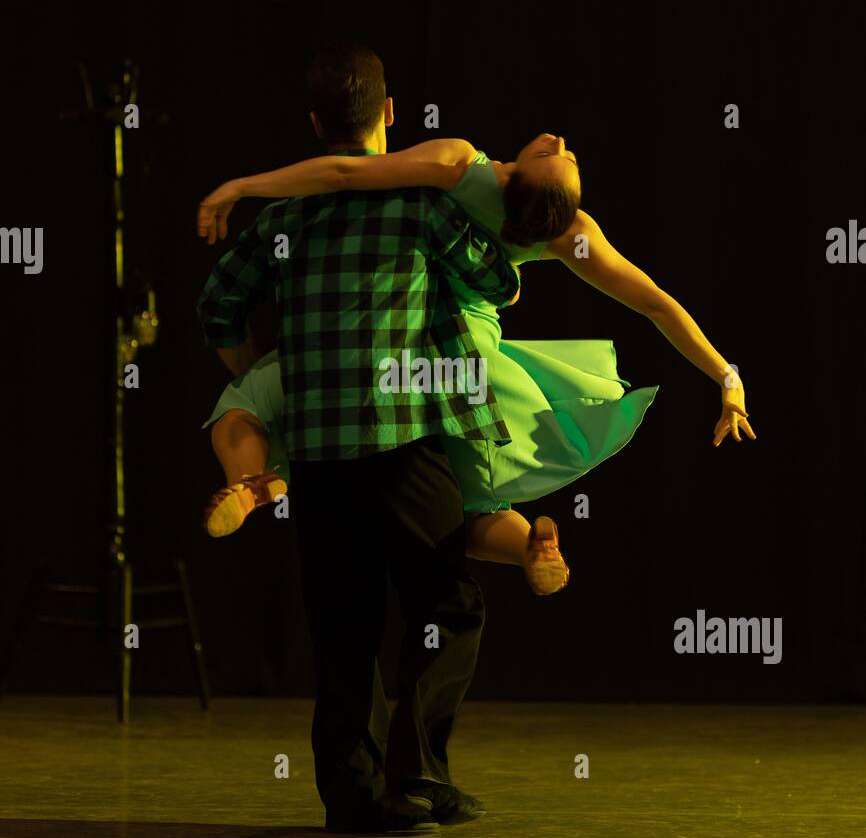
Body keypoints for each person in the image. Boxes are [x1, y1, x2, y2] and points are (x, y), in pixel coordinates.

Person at [197, 44, 557, 838]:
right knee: (448, 603)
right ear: (390, 115)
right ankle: (420, 777)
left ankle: (356, 799)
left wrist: (265, 373)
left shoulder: (281, 219)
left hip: (321, 452)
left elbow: (218, 308)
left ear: (316, 123)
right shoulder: (422, 208)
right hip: (403, 436)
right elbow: (499, 281)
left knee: (343, 625)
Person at [198, 133, 756, 572]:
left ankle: (258, 482)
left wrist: (242, 187)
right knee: (462, 506)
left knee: (265, 405)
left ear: (515, 177)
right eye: (566, 156)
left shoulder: (462, 166)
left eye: (554, 156)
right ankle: (529, 545)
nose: (561, 143)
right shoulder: (566, 234)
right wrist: (726, 376)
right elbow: (656, 304)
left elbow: (347, 171)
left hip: (403, 333)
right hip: (472, 368)